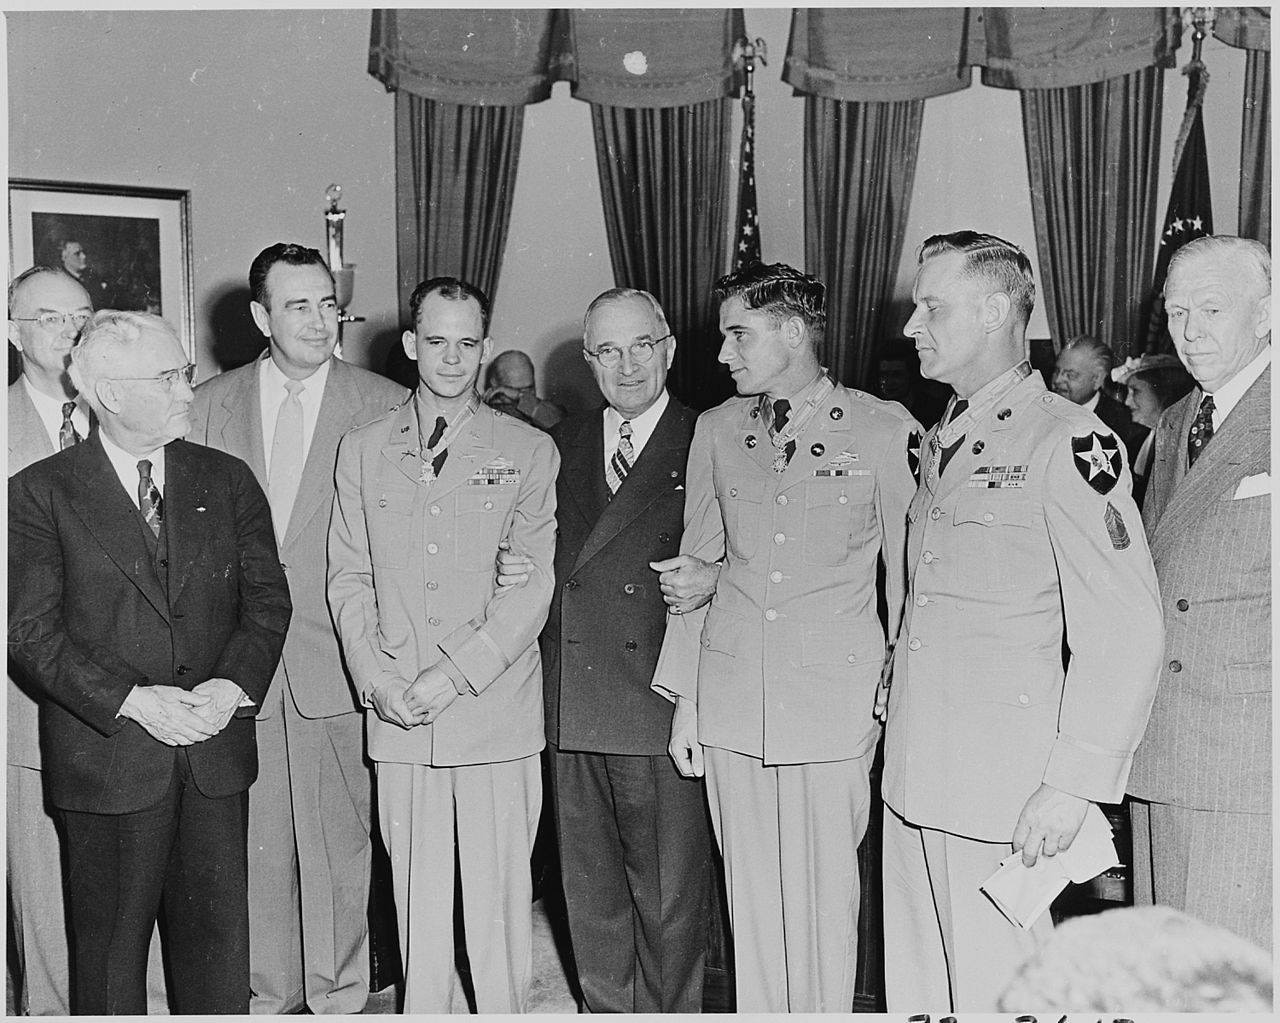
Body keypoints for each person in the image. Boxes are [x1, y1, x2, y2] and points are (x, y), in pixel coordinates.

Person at [878, 231, 1164, 1012]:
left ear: (998, 308)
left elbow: (1125, 628)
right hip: (915, 768)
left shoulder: (1067, 439)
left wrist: (1075, 781)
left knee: (1003, 992)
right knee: (923, 993)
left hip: (1001, 786)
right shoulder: (949, 432)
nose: (912, 326)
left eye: (932, 306)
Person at [650, 262, 918, 1012]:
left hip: (832, 705)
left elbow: (910, 580)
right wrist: (687, 703)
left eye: (740, 334)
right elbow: (694, 567)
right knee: (750, 908)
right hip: (733, 701)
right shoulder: (716, 428)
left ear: (794, 333)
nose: (724, 353)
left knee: (825, 906)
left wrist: (897, 693)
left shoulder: (882, 427)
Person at [8, 310, 291, 1014]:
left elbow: (268, 602)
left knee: (218, 967)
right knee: (107, 971)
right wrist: (137, 702)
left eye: (184, 372)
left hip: (214, 755)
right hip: (110, 761)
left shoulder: (227, 479)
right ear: (107, 390)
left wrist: (232, 685)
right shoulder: (41, 490)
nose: (186, 390)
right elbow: (30, 633)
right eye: (167, 376)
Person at [328, 276, 557, 1013]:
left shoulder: (528, 449)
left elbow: (530, 590)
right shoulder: (362, 450)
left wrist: (453, 676)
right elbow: (348, 576)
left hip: (491, 711)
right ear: (409, 345)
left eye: (467, 343)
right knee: (416, 908)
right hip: (399, 712)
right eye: (436, 342)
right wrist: (376, 679)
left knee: (497, 909)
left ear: (485, 349)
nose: (452, 359)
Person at [187, 243, 407, 1014]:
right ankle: (270, 995)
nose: (320, 321)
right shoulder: (208, 404)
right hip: (233, 665)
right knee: (253, 847)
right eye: (298, 305)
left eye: (328, 303)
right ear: (259, 317)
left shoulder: (383, 403)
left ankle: (341, 996)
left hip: (334, 661)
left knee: (339, 848)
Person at [500, 288, 714, 1011]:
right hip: (573, 699)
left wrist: (714, 576)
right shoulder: (555, 445)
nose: (628, 366)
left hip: (658, 699)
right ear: (588, 360)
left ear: (669, 349)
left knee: (668, 904)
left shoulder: (710, 438)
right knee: (588, 896)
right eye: (609, 351)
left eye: (642, 346)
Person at [1126, 235, 1271, 950]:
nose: (1190, 331)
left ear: (1268, 312)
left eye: (1212, 308)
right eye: (1177, 311)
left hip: (1249, 767)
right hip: (1165, 752)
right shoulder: (1178, 420)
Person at [6, 266, 93, 1016]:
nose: (69, 332)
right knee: (41, 867)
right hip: (23, 688)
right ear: (13, 333)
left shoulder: (125, 416)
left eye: (82, 317)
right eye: (50, 318)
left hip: (120, 683)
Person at [1111, 353, 1195, 507]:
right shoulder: (1136, 439)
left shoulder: (1183, 444)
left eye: (1135, 391)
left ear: (1163, 392)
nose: (1127, 401)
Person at [1051, 334, 1145, 460]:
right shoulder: (1042, 412)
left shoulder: (1125, 424)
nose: (1058, 380)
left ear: (1097, 379)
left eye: (1070, 375)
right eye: (1057, 371)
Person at [484, 349, 565, 429]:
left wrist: (519, 396)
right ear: (494, 384)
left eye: (529, 389)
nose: (526, 395)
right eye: (514, 389)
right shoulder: (485, 414)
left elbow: (563, 424)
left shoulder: (538, 406)